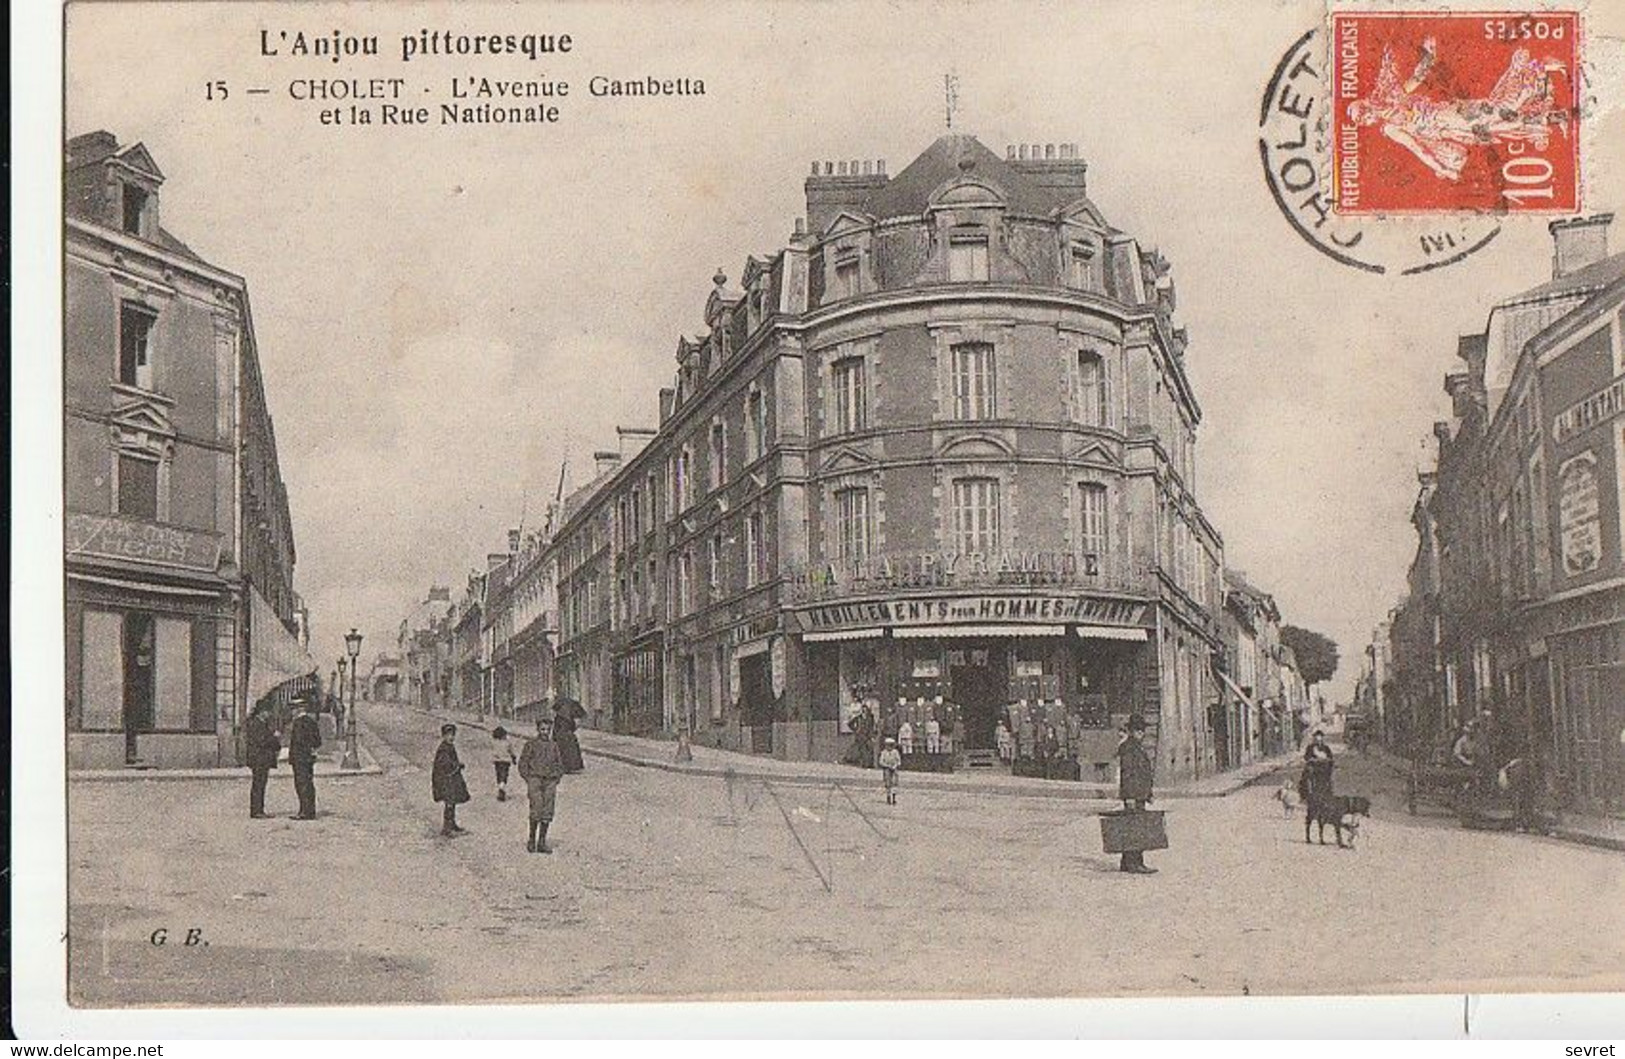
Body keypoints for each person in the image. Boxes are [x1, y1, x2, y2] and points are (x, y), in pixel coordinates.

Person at [519, 714, 567, 853]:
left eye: (547, 729)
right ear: (538, 730)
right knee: (536, 808)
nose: (545, 732)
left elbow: (559, 763)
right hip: (535, 779)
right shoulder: (531, 745)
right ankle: (531, 839)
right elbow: (523, 763)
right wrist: (528, 778)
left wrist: (557, 777)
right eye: (542, 729)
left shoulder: (554, 746)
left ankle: (542, 842)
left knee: (547, 810)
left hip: (550, 781)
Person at [1116, 715, 1156, 874]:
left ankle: (1127, 862)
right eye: (1137, 730)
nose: (1141, 733)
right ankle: (1135, 863)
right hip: (1133, 795)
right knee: (1135, 829)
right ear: (1131, 731)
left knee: (1135, 827)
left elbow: (1144, 773)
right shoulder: (1128, 748)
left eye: (1142, 730)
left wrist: (1148, 794)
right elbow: (1128, 774)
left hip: (1140, 794)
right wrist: (1129, 796)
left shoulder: (1138, 747)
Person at [286, 695, 322, 820]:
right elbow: (318, 741)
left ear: (299, 709)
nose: (292, 711)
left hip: (300, 758)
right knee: (308, 783)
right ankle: (308, 810)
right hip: (308, 758)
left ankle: (304, 812)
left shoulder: (298, 723)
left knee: (301, 784)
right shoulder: (311, 722)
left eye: (293, 709)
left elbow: (298, 742)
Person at [432, 723, 471, 836]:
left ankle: (452, 824)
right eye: (448, 735)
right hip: (445, 779)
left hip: (451, 777)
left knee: (452, 801)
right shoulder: (443, 748)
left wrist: (457, 765)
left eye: (453, 735)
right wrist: (457, 765)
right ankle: (446, 828)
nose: (451, 737)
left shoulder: (449, 746)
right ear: (443, 736)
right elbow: (444, 763)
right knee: (449, 802)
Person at [245, 700, 281, 819]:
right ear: (262, 712)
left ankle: (258, 809)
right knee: (259, 784)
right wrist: (274, 737)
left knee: (260, 784)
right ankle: (257, 811)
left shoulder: (260, 723)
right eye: (267, 711)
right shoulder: (257, 724)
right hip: (259, 759)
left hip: (260, 759)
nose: (269, 714)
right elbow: (262, 741)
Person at [552, 697, 587, 773]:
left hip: (560, 733)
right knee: (570, 748)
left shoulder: (560, 714)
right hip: (566, 733)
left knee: (560, 748)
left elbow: (556, 726)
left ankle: (561, 766)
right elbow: (577, 724)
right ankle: (570, 766)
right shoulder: (573, 709)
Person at [1300, 729, 1335, 804]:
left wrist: (1328, 760)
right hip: (1313, 766)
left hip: (1323, 766)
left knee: (1328, 773)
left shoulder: (1326, 748)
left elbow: (1330, 757)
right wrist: (1312, 759)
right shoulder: (1310, 747)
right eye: (1316, 739)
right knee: (1306, 773)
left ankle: (1327, 791)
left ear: (1322, 739)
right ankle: (1306, 793)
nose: (1317, 741)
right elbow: (1306, 757)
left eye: (1319, 739)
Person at [490, 725, 517, 801]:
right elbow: (511, 752)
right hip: (505, 761)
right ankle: (502, 788)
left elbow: (493, 751)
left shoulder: (494, 742)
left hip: (497, 761)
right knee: (504, 775)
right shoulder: (507, 743)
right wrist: (514, 758)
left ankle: (500, 787)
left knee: (498, 775)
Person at [878, 737, 902, 805]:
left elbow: (899, 761)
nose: (889, 747)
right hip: (887, 769)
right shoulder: (884, 752)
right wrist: (887, 766)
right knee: (888, 784)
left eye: (891, 745)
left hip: (894, 769)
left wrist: (895, 766)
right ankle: (888, 797)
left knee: (894, 783)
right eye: (888, 745)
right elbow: (881, 762)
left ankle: (894, 798)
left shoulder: (895, 752)